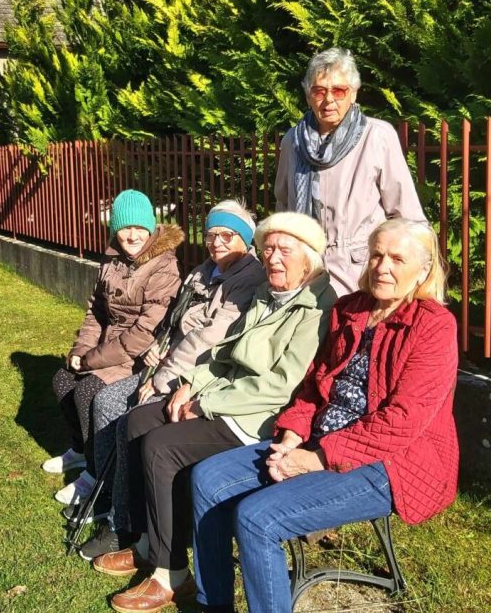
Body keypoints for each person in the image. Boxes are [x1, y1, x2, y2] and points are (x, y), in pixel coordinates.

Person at [189, 218, 458, 613]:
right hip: (318, 441)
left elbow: (402, 421)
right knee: (208, 478)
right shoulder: (352, 309)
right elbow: (314, 385)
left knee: (257, 518)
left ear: (423, 270)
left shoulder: (433, 326)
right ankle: (213, 604)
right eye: (377, 255)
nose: (382, 267)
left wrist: (314, 459)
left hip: (392, 462)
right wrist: (291, 437)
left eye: (397, 259)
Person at [92, 212, 338, 613]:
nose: (273, 258)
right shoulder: (269, 293)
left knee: (162, 447)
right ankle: (148, 543)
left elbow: (280, 387)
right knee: (137, 421)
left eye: (284, 250)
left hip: (258, 418)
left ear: (309, 257)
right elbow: (226, 353)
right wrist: (192, 383)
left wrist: (204, 403)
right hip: (224, 397)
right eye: (268, 249)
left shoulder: (316, 307)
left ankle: (171, 573)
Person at [76, 201, 267, 560]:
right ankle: (109, 496)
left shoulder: (248, 279)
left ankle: (124, 521)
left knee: (130, 417)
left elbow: (207, 340)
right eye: (211, 235)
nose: (217, 242)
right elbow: (175, 322)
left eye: (227, 235)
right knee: (105, 401)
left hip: (197, 374)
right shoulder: (203, 272)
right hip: (168, 362)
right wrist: (157, 348)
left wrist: (162, 376)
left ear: (245, 239)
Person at [45, 189, 183, 505]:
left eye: (140, 227)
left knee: (86, 392)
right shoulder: (112, 258)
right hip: (107, 346)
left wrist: (90, 361)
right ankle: (82, 450)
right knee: (62, 380)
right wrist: (80, 350)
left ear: (151, 227)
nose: (132, 235)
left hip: (138, 355)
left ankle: (96, 474)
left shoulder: (164, 266)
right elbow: (96, 310)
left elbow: (144, 333)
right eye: (125, 227)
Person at [275, 47, 426, 296]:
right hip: (304, 270)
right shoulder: (293, 141)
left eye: (339, 90)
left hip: (359, 274)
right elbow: (283, 207)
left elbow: (406, 214)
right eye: (319, 91)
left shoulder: (377, 136)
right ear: (308, 96)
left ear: (353, 93)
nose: (329, 100)